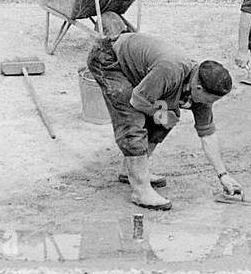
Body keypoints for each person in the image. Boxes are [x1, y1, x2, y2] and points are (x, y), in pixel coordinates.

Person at [86, 30, 241, 211]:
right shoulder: (171, 70)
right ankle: (140, 190)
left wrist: (223, 175)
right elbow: (138, 100)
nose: (210, 104)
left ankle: (129, 171)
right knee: (132, 120)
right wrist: (161, 115)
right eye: (211, 100)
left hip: (140, 71)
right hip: (109, 59)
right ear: (198, 88)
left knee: (168, 115)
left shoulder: (201, 89)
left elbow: (207, 135)